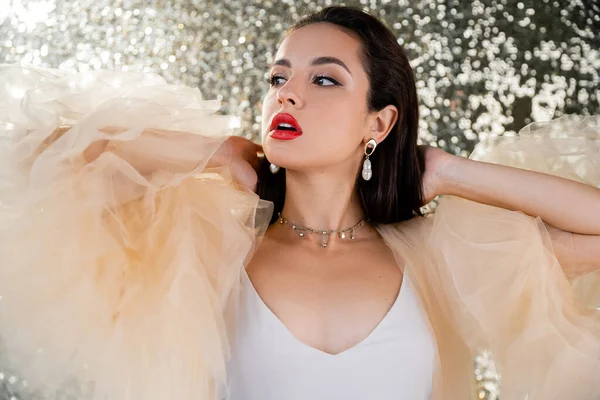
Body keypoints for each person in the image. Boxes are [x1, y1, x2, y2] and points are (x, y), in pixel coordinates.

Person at [0, 5, 599, 400]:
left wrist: (449, 171)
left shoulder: (437, 256)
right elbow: (33, 158)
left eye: (325, 79)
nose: (288, 94)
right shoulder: (212, 243)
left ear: (381, 122)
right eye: (278, 78)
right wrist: (215, 152)